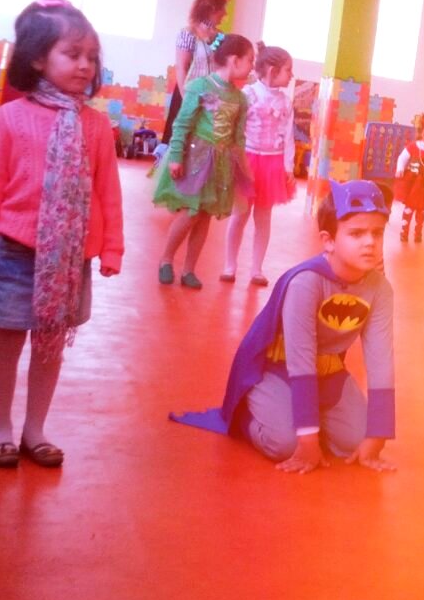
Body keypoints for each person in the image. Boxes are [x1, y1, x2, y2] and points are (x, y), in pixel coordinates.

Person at [0, 0, 124, 468]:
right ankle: (1, 428)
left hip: (70, 258)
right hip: (18, 252)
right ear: (39, 58)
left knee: (49, 347)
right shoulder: (10, 117)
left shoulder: (97, 127)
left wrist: (112, 248)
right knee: (8, 343)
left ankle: (34, 429)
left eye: (91, 57)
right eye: (73, 54)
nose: (85, 65)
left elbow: (108, 191)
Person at [170, 180, 395, 473]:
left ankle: (306, 415)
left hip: (328, 371)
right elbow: (300, 361)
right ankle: (247, 415)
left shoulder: (380, 290)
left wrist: (378, 435)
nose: (370, 243)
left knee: (357, 441)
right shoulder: (306, 283)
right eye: (356, 233)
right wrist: (307, 438)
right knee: (286, 445)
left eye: (377, 233)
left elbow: (381, 362)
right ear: (328, 241)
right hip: (274, 369)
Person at [153, 34, 255, 289]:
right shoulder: (199, 86)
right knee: (190, 212)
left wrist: (243, 169)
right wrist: (175, 157)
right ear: (234, 60)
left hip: (221, 164)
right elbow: (182, 123)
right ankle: (166, 260)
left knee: (205, 215)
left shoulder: (240, 98)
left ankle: (189, 269)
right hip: (196, 158)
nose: (252, 66)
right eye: (250, 60)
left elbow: (238, 138)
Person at [222, 43, 296, 286]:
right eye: (288, 70)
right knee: (240, 214)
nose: (291, 75)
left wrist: (288, 166)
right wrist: (232, 159)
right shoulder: (248, 94)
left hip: (272, 165)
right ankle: (230, 265)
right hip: (248, 161)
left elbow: (288, 136)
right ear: (272, 71)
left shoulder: (285, 101)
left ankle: (256, 269)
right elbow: (236, 129)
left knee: (263, 218)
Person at [159, 0, 228, 150]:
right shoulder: (188, 33)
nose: (225, 13)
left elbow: (220, 64)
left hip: (211, 93)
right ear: (212, 9)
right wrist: (186, 97)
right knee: (181, 137)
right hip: (189, 90)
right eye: (222, 9)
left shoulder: (220, 36)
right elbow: (181, 67)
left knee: (203, 138)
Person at [394, 113, 424, 243]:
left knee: (421, 209)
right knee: (409, 207)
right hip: (413, 181)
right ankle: (404, 231)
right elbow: (402, 157)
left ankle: (418, 232)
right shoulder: (413, 147)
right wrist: (400, 168)